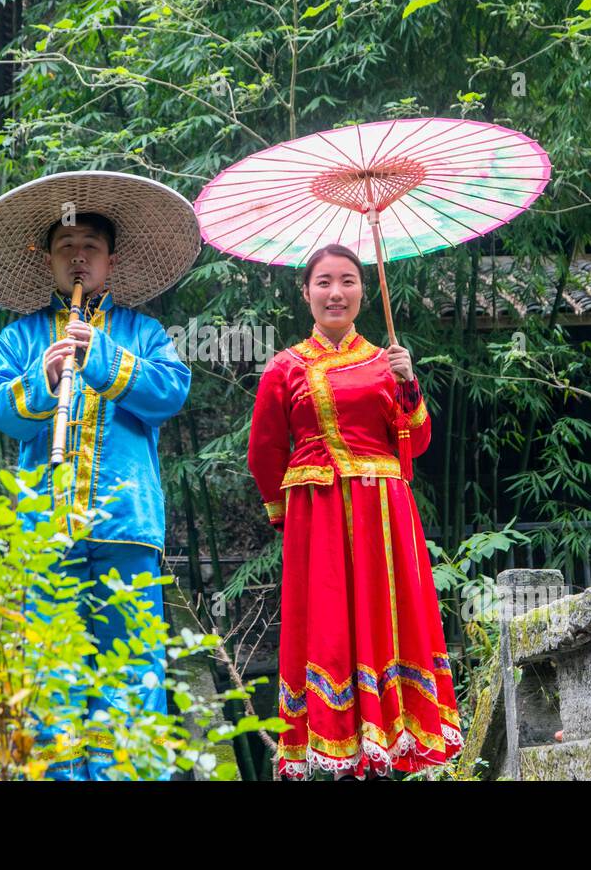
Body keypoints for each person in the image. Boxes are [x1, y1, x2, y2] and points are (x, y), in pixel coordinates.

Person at [0, 210, 192, 780]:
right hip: (46, 528)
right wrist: (41, 381)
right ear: (47, 259)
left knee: (133, 667)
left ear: (110, 261)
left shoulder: (144, 333)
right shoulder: (18, 336)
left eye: (90, 246)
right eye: (66, 246)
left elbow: (170, 392)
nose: (78, 256)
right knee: (54, 670)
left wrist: (99, 357)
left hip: (126, 526)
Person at [247, 242, 464, 779]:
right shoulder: (284, 368)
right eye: (324, 282)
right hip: (317, 516)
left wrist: (409, 382)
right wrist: (287, 515)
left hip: (384, 511)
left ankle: (396, 742)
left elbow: (414, 441)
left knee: (388, 616)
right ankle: (338, 752)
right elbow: (264, 451)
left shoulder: (386, 361)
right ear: (306, 293)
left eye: (347, 280)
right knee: (328, 624)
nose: (336, 292)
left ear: (364, 292)